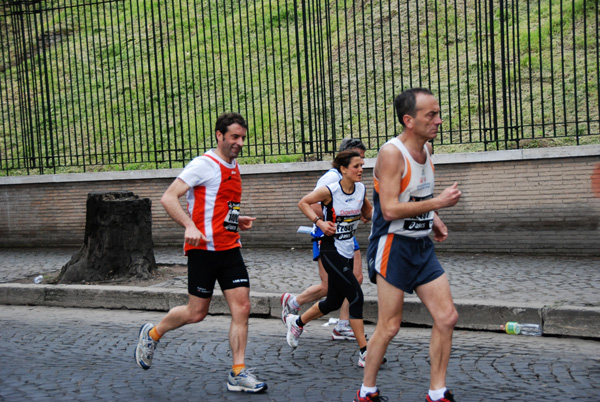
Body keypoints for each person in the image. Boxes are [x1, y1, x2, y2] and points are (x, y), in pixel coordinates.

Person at [134, 112, 268, 394]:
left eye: (242, 137)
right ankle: (153, 332)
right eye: (234, 137)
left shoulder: (233, 165)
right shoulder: (203, 164)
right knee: (196, 313)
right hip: (203, 251)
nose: (240, 142)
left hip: (230, 248)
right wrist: (189, 225)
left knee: (242, 307)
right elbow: (168, 197)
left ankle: (238, 372)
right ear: (219, 136)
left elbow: (222, 203)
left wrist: (236, 220)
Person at [355, 88, 462, 402]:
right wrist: (438, 201)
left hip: (421, 246)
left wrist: (436, 216)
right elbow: (388, 209)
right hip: (393, 246)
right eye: (431, 115)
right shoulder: (392, 154)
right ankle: (366, 391)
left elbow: (418, 195)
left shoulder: (427, 150)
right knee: (389, 326)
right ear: (408, 120)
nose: (438, 121)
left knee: (447, 317)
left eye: (438, 113)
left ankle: (437, 391)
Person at [285, 150, 373, 367]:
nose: (361, 169)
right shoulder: (330, 191)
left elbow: (368, 212)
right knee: (356, 297)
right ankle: (365, 352)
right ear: (343, 169)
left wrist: (370, 217)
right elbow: (303, 202)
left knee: (333, 301)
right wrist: (320, 222)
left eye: (362, 165)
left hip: (347, 248)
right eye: (356, 166)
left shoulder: (361, 189)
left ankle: (297, 322)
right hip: (330, 249)